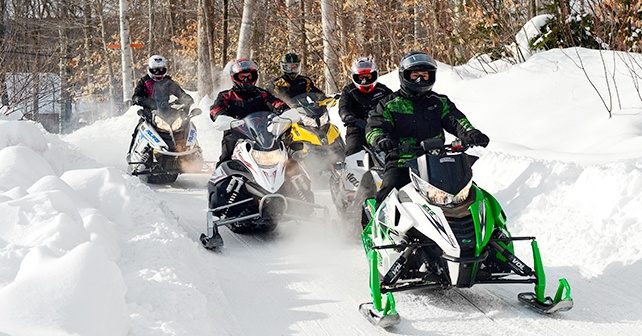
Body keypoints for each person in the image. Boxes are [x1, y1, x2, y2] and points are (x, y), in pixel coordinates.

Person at [365, 51, 490, 205]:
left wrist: (471, 133)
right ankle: (376, 227)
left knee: (472, 195)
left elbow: (457, 121)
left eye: (424, 75)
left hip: (437, 163)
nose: (420, 79)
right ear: (404, 76)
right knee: (387, 197)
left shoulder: (439, 102)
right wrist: (381, 139)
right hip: (403, 162)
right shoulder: (389, 104)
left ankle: (492, 227)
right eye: (415, 74)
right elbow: (374, 127)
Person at [210, 58, 289, 165]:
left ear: (254, 76)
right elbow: (216, 109)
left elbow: (276, 103)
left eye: (249, 76)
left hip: (262, 135)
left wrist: (286, 111)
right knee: (225, 160)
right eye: (243, 76)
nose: (246, 80)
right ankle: (218, 180)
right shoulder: (226, 96)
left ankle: (296, 179)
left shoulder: (262, 94)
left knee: (286, 159)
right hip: (236, 134)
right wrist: (222, 117)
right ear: (235, 77)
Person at [128, 55, 194, 153]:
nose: (158, 72)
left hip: (166, 111)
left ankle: (193, 149)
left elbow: (179, 92)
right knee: (139, 128)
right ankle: (132, 152)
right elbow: (136, 96)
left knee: (185, 125)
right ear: (149, 69)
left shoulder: (168, 82)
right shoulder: (144, 81)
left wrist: (186, 99)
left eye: (161, 69)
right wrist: (144, 101)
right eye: (155, 70)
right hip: (150, 113)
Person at [339, 57, 392, 156]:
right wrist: (347, 116)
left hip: (380, 127)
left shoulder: (383, 90)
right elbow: (343, 106)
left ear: (374, 75)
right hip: (357, 128)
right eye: (361, 77)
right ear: (355, 77)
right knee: (352, 150)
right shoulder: (349, 90)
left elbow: (394, 103)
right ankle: (350, 170)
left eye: (367, 76)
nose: (364, 81)